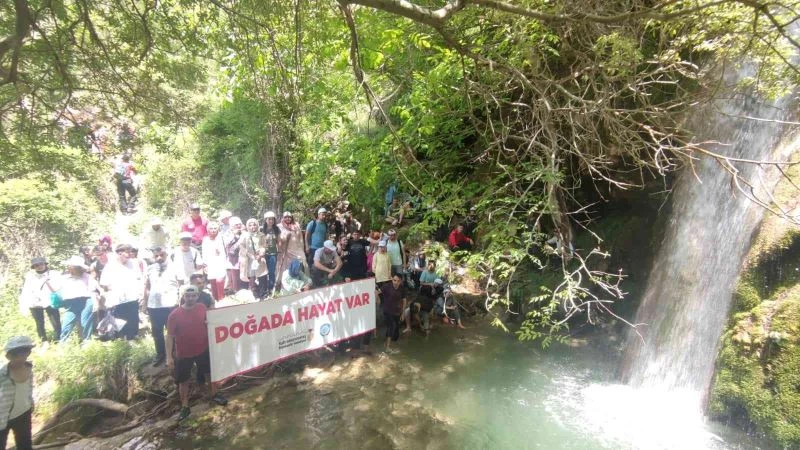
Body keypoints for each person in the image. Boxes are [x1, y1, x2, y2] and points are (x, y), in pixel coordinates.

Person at [166, 285, 227, 422]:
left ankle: (215, 394)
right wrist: (169, 357)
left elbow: (209, 320)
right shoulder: (174, 315)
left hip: (203, 348)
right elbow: (169, 337)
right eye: (188, 296)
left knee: (209, 373)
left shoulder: (202, 307)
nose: (190, 298)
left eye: (193, 296)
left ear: (197, 296)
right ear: (183, 297)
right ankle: (185, 406)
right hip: (183, 353)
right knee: (183, 380)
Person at [99, 244, 145, 340]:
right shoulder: (110, 266)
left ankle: (132, 339)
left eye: (130, 252)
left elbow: (140, 279)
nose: (129, 254)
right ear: (119, 253)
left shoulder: (134, 263)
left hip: (132, 297)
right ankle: (121, 341)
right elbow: (103, 284)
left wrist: (141, 294)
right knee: (119, 322)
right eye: (127, 252)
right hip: (117, 300)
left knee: (133, 320)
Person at [143, 247, 179, 367]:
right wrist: (145, 303)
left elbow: (181, 285)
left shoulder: (175, 267)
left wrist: (180, 303)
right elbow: (147, 287)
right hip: (154, 306)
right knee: (157, 331)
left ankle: (173, 354)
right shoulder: (150, 268)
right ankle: (160, 354)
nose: (159, 258)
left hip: (171, 305)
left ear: (166, 255)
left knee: (172, 331)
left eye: (161, 255)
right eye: (156, 256)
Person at [0, 336, 35, 450]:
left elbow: (29, 388)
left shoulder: (29, 369)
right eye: (17, 355)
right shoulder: (2, 374)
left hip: (23, 414)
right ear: (9, 356)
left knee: (25, 445)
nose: (21, 358)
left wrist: (31, 402)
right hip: (2, 416)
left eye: (24, 354)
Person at [18, 257, 61, 342]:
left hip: (50, 301)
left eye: (41, 264)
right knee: (39, 323)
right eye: (36, 265)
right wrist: (24, 305)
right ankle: (44, 340)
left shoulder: (53, 274)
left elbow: (58, 287)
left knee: (55, 320)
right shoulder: (30, 277)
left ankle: (59, 338)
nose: (39, 266)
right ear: (34, 267)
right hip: (35, 302)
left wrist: (48, 281)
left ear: (45, 264)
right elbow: (26, 291)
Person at [58, 256, 99, 343]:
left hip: (86, 301)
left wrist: (95, 302)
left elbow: (92, 290)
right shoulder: (64, 278)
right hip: (70, 303)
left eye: (77, 267)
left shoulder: (87, 277)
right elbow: (57, 290)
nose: (74, 269)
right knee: (67, 322)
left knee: (85, 322)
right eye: (72, 267)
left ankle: (86, 342)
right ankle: (63, 342)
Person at [239, 218, 267, 296]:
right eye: (250, 225)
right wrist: (249, 255)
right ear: (247, 226)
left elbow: (264, 245)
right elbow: (241, 246)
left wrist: (260, 254)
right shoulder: (244, 235)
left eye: (254, 225)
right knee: (251, 276)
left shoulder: (261, 235)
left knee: (261, 275)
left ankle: (262, 293)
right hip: (249, 260)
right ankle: (253, 293)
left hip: (259, 259)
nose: (252, 227)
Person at [379, 274, 406, 352]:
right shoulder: (386, 286)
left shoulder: (402, 288)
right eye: (394, 280)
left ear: (401, 281)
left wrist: (403, 313)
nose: (396, 282)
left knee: (395, 330)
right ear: (392, 279)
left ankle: (388, 342)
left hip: (397, 311)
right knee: (391, 326)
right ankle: (387, 347)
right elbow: (377, 292)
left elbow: (404, 300)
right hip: (387, 310)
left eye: (398, 281)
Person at [277, 211, 307, 281]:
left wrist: (302, 249)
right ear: (283, 218)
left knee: (303, 261)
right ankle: (285, 282)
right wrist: (285, 237)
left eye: (289, 217)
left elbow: (300, 238)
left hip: (297, 249)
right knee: (286, 266)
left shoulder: (296, 225)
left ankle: (302, 281)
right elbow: (279, 240)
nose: (288, 218)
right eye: (286, 217)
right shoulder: (279, 226)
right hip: (285, 250)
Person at [202, 221, 227, 301]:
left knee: (219, 281)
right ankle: (215, 300)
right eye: (211, 228)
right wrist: (205, 265)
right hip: (210, 263)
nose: (213, 230)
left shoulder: (221, 238)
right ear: (208, 230)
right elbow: (204, 253)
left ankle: (221, 299)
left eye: (215, 228)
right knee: (213, 282)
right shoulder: (205, 240)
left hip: (220, 262)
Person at [261, 211, 280, 296]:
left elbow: (278, 241)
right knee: (263, 272)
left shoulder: (276, 229)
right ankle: (263, 288)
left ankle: (271, 288)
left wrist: (279, 250)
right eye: (269, 219)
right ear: (265, 220)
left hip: (273, 253)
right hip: (263, 254)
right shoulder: (261, 229)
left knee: (272, 272)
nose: (271, 221)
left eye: (272, 219)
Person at [223, 216, 244, 292]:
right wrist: (234, 235)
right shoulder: (227, 233)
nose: (238, 226)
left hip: (243, 257)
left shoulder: (243, 232)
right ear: (232, 225)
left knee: (243, 275)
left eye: (239, 224)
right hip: (233, 258)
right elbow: (226, 243)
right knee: (235, 276)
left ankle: (244, 291)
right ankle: (236, 291)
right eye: (236, 224)